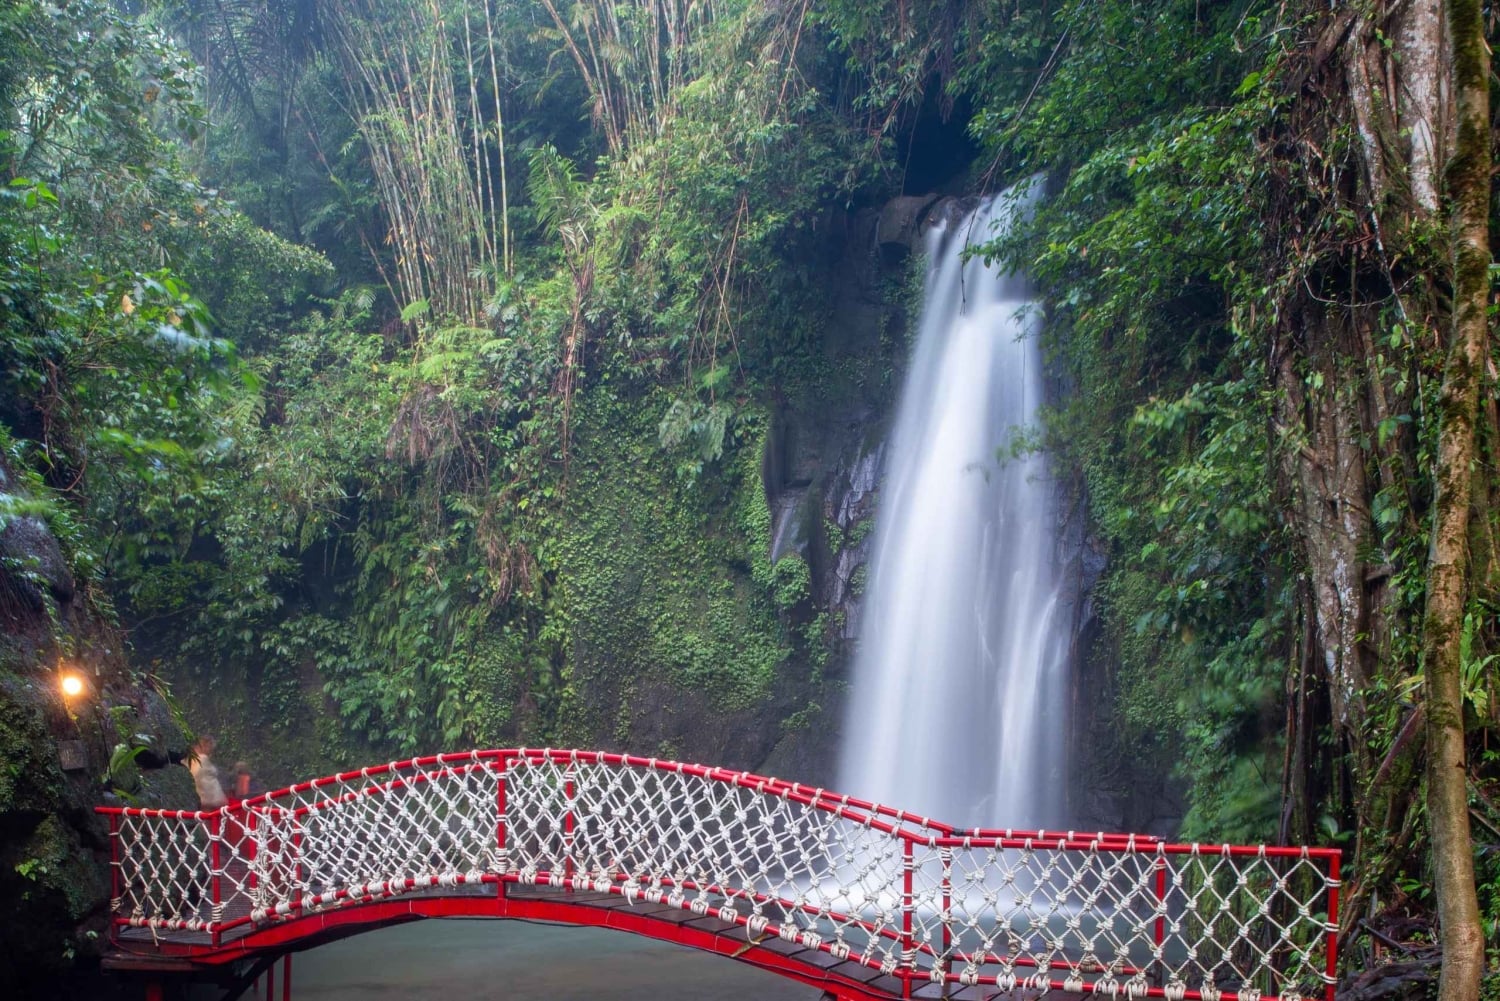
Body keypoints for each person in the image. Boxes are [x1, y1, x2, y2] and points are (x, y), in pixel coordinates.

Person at [188, 735, 228, 810]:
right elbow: (207, 784)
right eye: (210, 749)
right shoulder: (202, 759)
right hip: (207, 803)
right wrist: (221, 799)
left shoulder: (188, 760)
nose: (210, 753)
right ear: (204, 745)